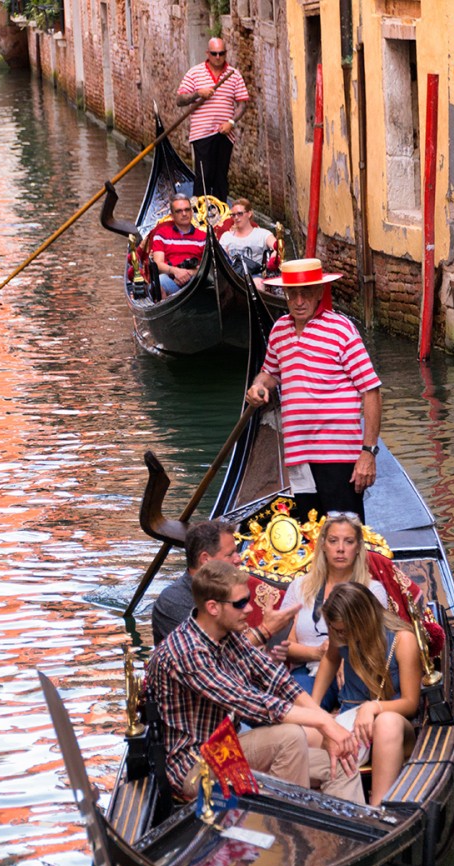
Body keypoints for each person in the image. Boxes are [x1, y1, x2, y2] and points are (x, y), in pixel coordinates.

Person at [146, 560, 364, 804]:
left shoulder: (228, 636)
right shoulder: (187, 652)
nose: (250, 609)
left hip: (230, 747)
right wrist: (325, 722)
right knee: (290, 736)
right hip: (195, 766)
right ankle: (291, 827)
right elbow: (249, 701)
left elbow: (277, 679)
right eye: (240, 603)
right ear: (213, 607)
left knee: (344, 763)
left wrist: (328, 727)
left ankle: (349, 836)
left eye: (248, 599)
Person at [245, 258, 382, 523]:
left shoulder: (342, 330)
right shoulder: (279, 330)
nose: (298, 301)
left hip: (339, 455)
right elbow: (271, 372)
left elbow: (371, 391)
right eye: (292, 293)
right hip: (298, 453)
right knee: (311, 535)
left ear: (319, 292)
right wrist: (258, 385)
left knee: (345, 535)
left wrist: (368, 452)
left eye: (305, 292)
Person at [312, 581, 422, 806]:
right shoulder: (339, 632)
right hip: (349, 722)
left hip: (395, 726)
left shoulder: (403, 640)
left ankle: (377, 809)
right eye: (335, 630)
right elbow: (331, 659)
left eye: (342, 630)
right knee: (300, 732)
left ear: (361, 622)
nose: (337, 635)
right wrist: (314, 711)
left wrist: (372, 708)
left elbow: (411, 703)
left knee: (387, 723)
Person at [281, 512, 388, 694]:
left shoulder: (372, 590)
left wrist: (345, 657)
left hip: (358, 670)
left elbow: (377, 640)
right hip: (309, 671)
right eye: (333, 541)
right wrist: (320, 652)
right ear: (323, 545)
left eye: (348, 541)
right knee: (300, 704)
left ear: (358, 547)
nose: (340, 548)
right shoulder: (300, 587)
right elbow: (285, 644)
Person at [152, 518, 299, 649]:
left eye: (237, 552)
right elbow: (206, 659)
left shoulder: (234, 590)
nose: (238, 559)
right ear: (205, 559)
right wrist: (264, 631)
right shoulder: (173, 602)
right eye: (230, 554)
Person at [176, 38, 249, 203]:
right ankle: (200, 213)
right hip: (201, 134)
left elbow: (243, 105)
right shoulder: (195, 73)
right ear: (207, 54)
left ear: (225, 53)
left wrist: (231, 123)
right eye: (214, 54)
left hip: (225, 134)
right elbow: (179, 100)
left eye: (221, 53)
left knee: (221, 177)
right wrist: (197, 94)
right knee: (203, 176)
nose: (218, 57)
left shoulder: (234, 74)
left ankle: (220, 215)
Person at [151, 194, 207, 297]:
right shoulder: (162, 235)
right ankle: (166, 311)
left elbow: (209, 267)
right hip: (172, 282)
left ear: (191, 212)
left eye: (187, 210)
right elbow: (157, 264)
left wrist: (188, 273)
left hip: (196, 284)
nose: (184, 214)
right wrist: (175, 271)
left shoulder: (203, 237)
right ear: (172, 215)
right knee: (160, 280)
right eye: (179, 211)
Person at [219, 198, 276, 274]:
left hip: (254, 274)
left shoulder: (262, 234)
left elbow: (278, 247)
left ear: (249, 214)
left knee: (257, 283)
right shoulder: (226, 237)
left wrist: (274, 256)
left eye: (240, 214)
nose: (236, 218)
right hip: (233, 276)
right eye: (233, 215)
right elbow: (220, 259)